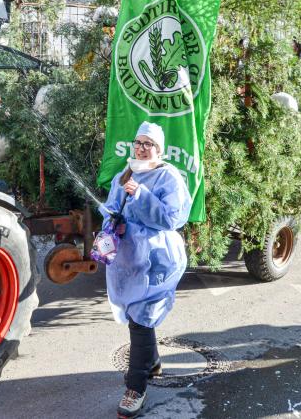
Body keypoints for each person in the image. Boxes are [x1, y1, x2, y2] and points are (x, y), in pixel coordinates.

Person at [99, 121, 191, 418]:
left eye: (147, 144)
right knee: (136, 316)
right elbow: (112, 208)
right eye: (138, 142)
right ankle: (151, 363)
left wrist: (142, 196)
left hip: (156, 262)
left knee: (142, 318)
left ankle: (135, 388)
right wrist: (112, 225)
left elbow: (171, 219)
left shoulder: (168, 177)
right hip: (128, 261)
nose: (141, 148)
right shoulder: (124, 174)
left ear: (159, 149)